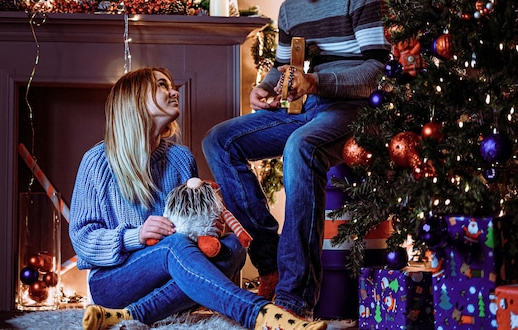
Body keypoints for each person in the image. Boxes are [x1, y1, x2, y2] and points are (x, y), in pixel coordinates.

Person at [203, 0, 396, 320]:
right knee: (219, 141)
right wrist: (266, 86)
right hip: (310, 108)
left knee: (300, 146)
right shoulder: (290, 9)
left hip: (360, 112)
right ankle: (270, 261)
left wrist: (315, 81)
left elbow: (380, 71)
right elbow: (283, 67)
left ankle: (294, 302)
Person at [69, 66, 328, 330]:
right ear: (134, 98)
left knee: (233, 247)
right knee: (174, 245)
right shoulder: (98, 161)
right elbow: (82, 240)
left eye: (172, 85)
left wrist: (211, 229)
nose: (174, 92)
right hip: (114, 281)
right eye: (161, 85)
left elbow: (193, 224)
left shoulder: (181, 159)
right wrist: (135, 235)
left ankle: (130, 316)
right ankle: (261, 316)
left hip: (174, 277)